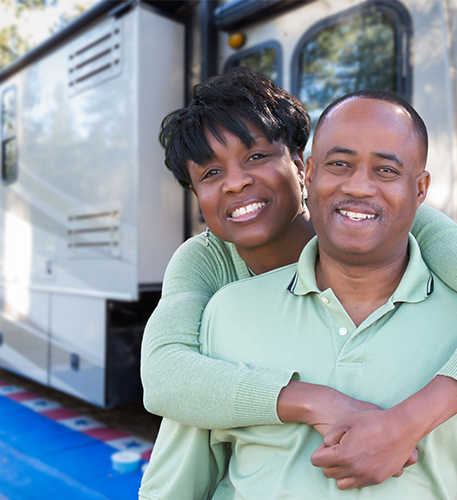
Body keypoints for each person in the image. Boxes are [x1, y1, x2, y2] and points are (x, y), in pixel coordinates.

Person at [139, 68, 457, 499]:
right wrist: (314, 401)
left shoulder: (407, 224)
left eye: (255, 157)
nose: (236, 182)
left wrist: (406, 423)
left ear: (299, 166)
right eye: (210, 174)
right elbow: (166, 377)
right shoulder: (210, 274)